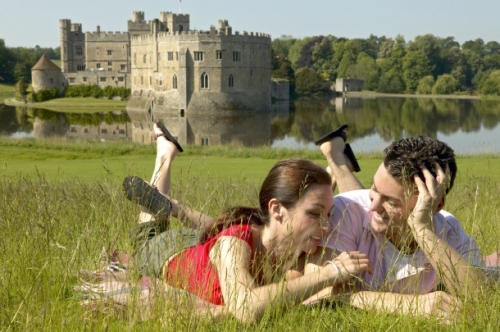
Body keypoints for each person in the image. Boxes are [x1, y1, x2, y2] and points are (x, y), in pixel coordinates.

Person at [123, 123, 372, 323]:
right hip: (170, 250)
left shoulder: (300, 246)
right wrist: (331, 273)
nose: (327, 226)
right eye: (316, 214)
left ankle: (173, 204)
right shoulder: (232, 244)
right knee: (146, 236)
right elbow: (245, 308)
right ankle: (164, 157)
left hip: (211, 243)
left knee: (227, 227)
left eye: (328, 214)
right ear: (277, 209)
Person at [305, 133, 490, 320]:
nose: (373, 206)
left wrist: (422, 230)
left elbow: (482, 299)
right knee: (356, 200)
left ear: (436, 205)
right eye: (374, 188)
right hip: (351, 206)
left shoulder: (449, 229)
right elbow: (315, 291)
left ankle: (337, 158)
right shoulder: (343, 211)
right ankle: (337, 158)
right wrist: (411, 305)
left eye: (392, 203)